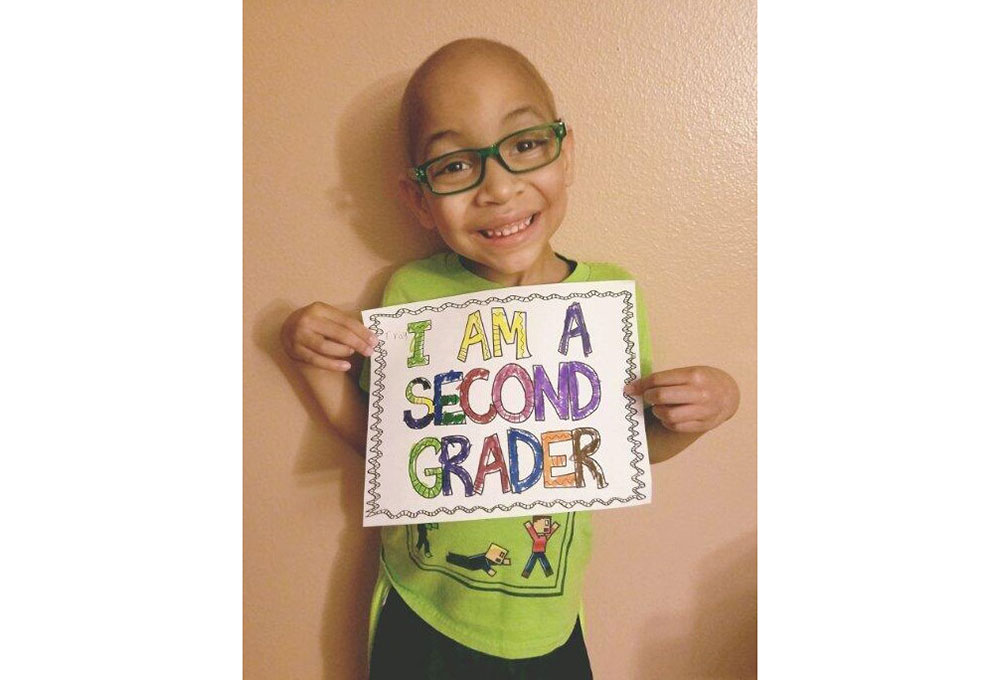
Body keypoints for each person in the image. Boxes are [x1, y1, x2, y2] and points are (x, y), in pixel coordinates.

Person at [280, 38, 740, 679]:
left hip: (547, 619)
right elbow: (384, 447)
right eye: (455, 165)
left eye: (524, 146)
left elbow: (628, 446)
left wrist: (707, 409)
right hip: (422, 608)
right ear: (419, 199)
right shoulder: (413, 293)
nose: (498, 188)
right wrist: (310, 359)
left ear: (566, 152)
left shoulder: (605, 297)